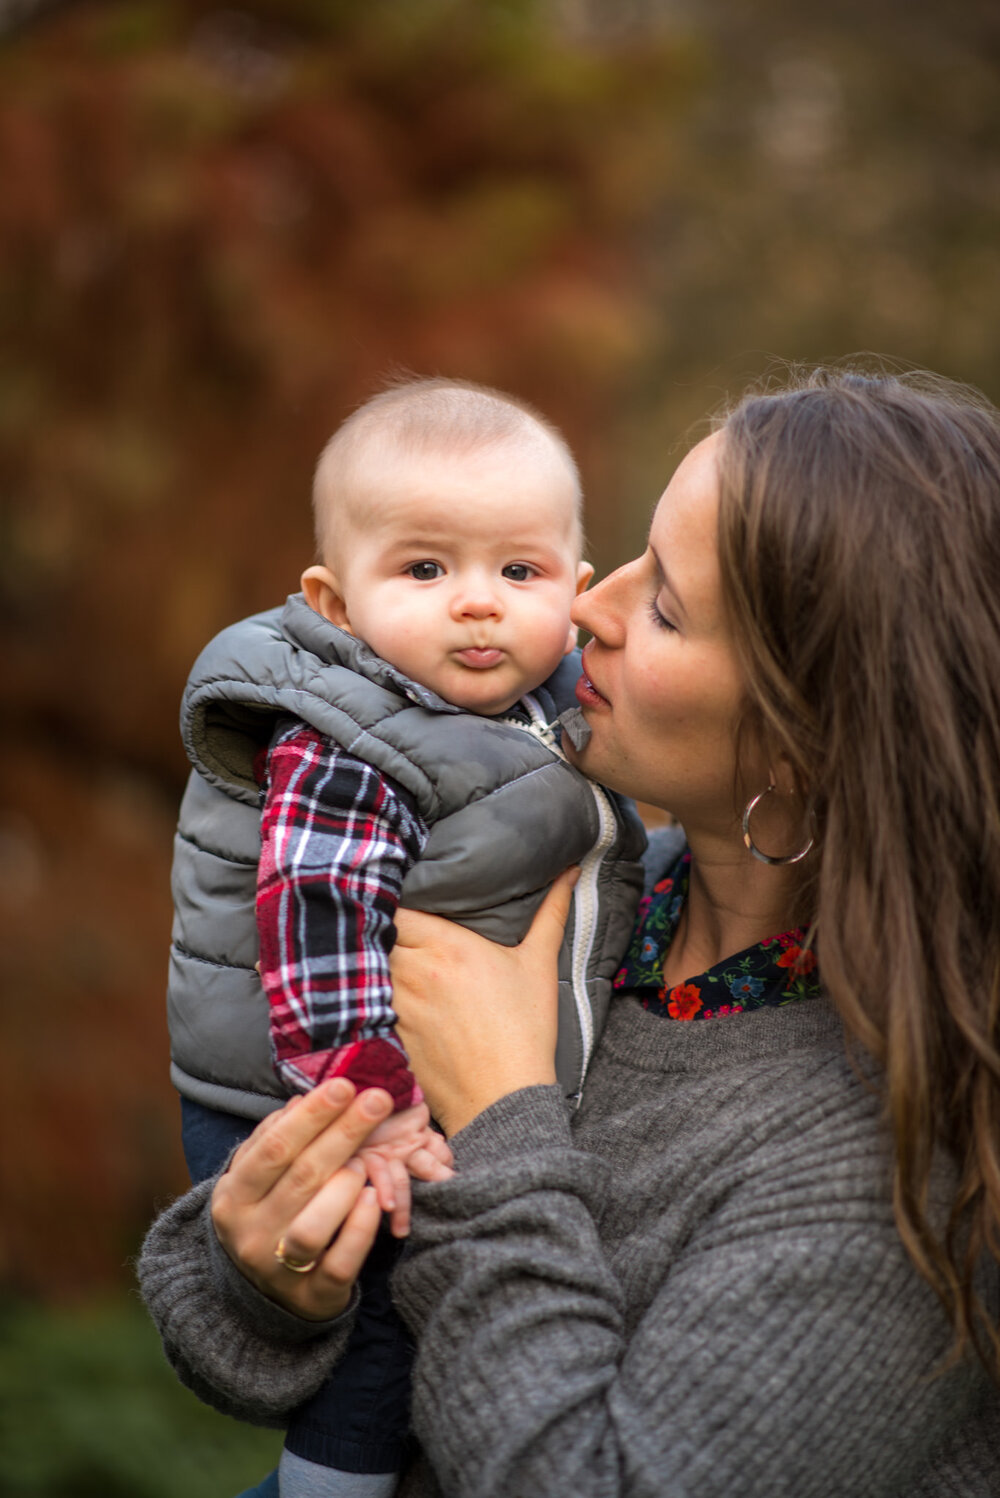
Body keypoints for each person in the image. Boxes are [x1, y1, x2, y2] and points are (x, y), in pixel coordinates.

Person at [141, 367, 1000, 1497]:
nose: (586, 606)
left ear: (800, 738)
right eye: (631, 555)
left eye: (666, 608)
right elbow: (261, 1314)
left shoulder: (908, 1162)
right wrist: (272, 1276)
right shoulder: (593, 892)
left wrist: (503, 1117)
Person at [167, 376, 646, 1496]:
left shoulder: (529, 712)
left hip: (375, 1088)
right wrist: (365, 1103)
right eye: (425, 569)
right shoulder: (348, 731)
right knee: (377, 1336)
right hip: (305, 1095)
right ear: (333, 604)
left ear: (574, 591)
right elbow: (318, 911)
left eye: (517, 572)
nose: (477, 603)